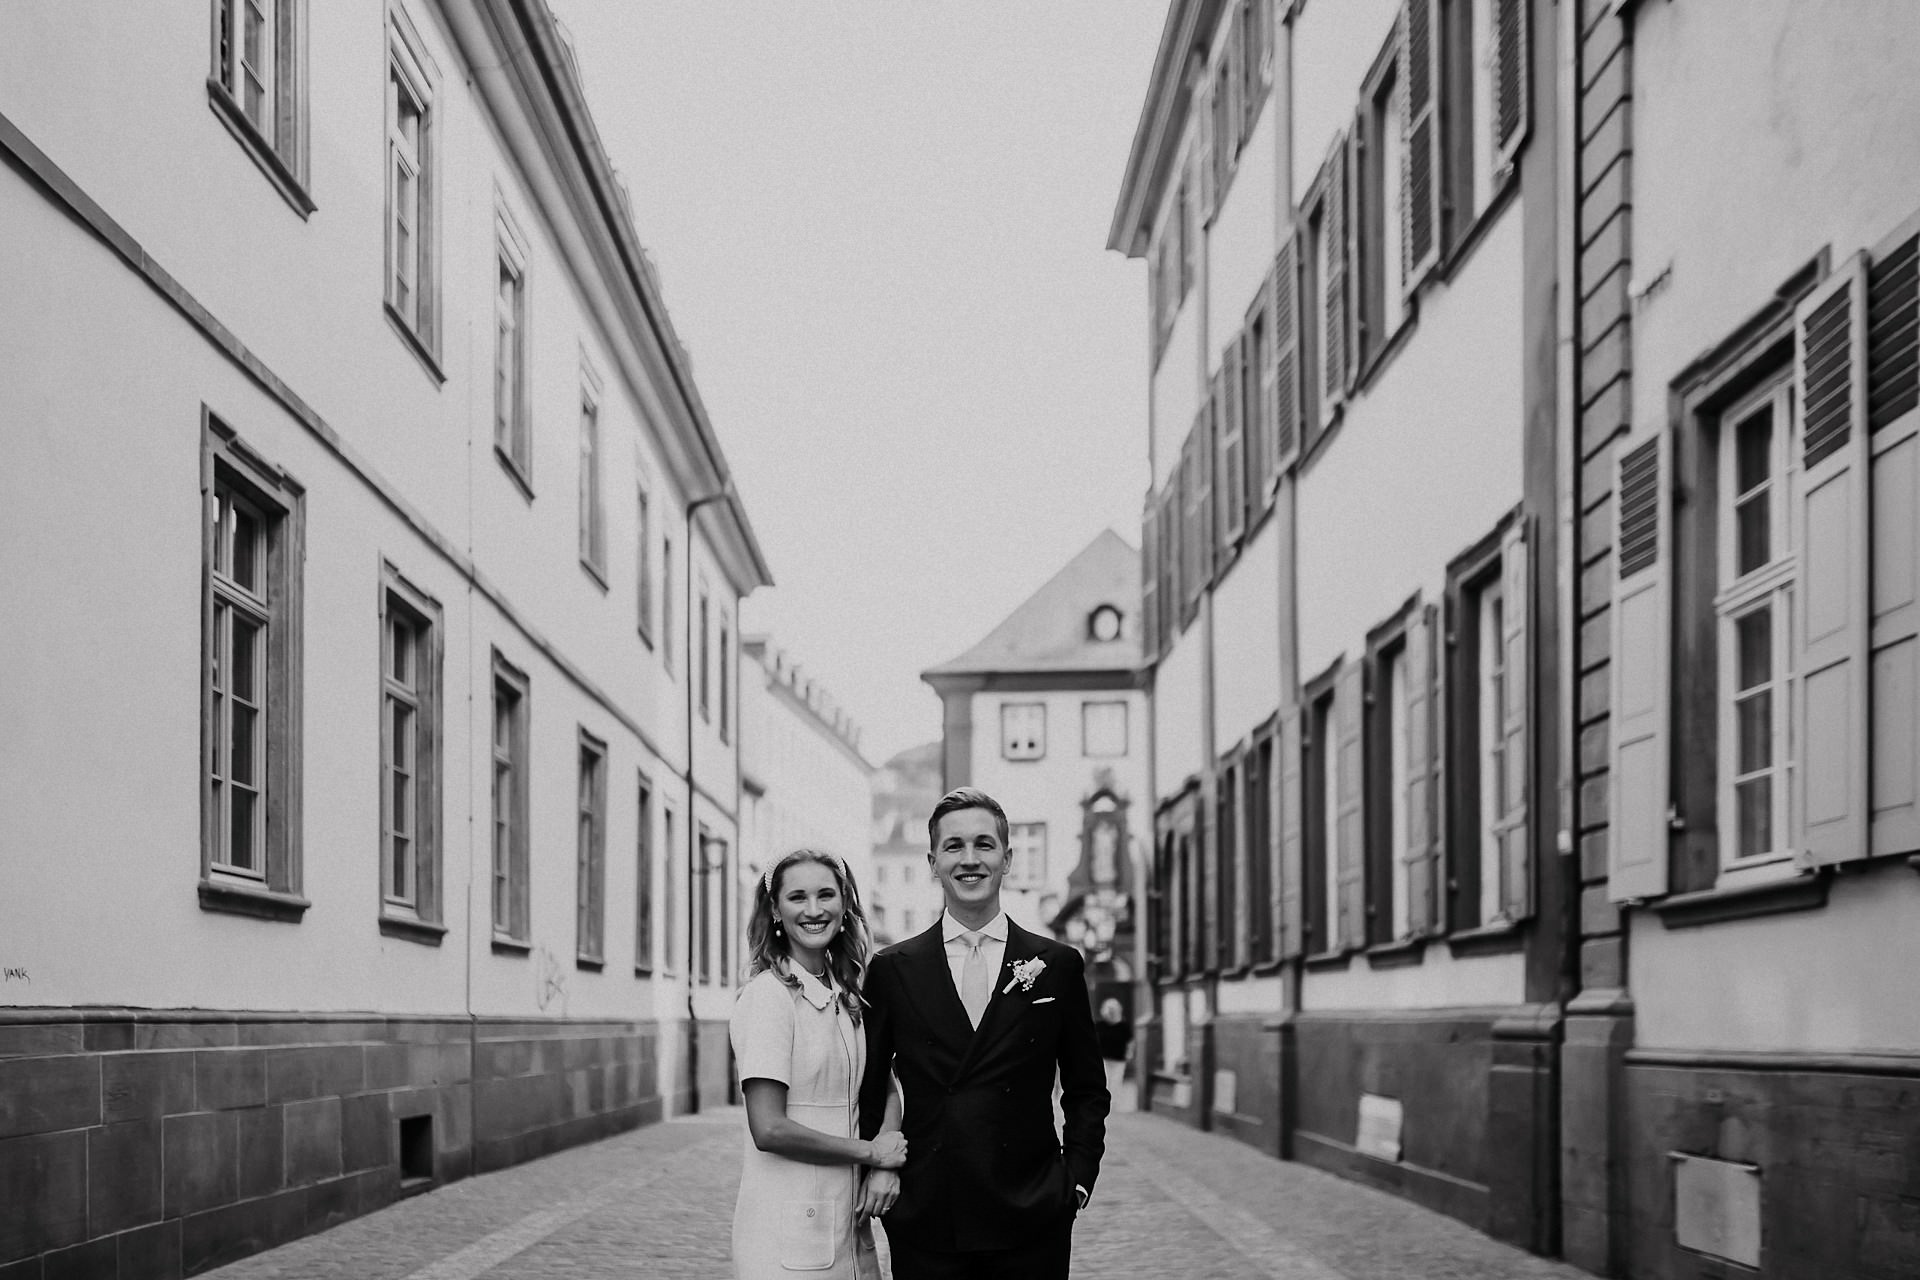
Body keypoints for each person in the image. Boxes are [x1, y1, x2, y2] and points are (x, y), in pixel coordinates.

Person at [856, 787, 1109, 1280]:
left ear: (1007, 858)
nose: (969, 860)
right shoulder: (892, 969)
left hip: (1031, 1212)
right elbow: (869, 1083)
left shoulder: (1056, 965)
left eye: (983, 845)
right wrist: (879, 1162)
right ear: (932, 862)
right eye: (953, 847)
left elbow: (1087, 1087)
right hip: (929, 1214)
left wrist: (1075, 1179)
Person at [731, 848, 902, 1280]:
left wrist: (886, 1153)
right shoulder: (769, 997)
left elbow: (886, 1085)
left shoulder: (848, 994)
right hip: (788, 1224)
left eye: (826, 895)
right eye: (797, 897)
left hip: (846, 1220)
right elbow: (768, 1128)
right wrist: (869, 1152)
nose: (813, 910)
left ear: (844, 905)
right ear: (774, 909)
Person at [1095, 998, 1133, 1107]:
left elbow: (1130, 1041)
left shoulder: (1124, 1026)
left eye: (1113, 1010)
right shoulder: (1099, 1025)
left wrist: (1129, 1053)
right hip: (1103, 1058)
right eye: (1109, 1009)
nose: (1111, 1012)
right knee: (1104, 1079)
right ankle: (1103, 1100)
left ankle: (1115, 1100)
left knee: (1116, 1080)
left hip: (1119, 1058)